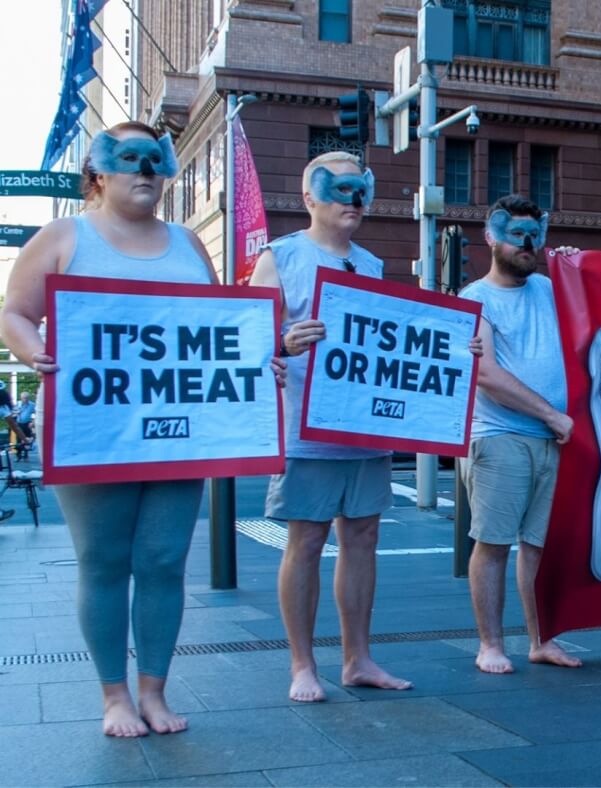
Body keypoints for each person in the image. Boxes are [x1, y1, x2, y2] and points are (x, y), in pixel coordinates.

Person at [1, 121, 284, 737]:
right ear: (98, 173)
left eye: (156, 159)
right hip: (92, 425)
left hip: (180, 429)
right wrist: (35, 354)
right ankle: (114, 697)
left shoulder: (187, 244)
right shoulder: (62, 236)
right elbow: (16, 314)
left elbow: (215, 331)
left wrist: (263, 362)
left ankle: (154, 690)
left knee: (162, 560)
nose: (146, 170)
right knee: (104, 560)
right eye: (129, 158)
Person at [249, 151, 412, 702]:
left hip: (364, 426)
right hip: (307, 426)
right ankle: (301, 665)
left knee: (362, 537)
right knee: (307, 539)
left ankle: (357, 658)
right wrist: (282, 341)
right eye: (339, 188)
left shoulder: (370, 265)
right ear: (309, 197)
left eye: (361, 188)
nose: (354, 200)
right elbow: (245, 341)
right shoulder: (280, 257)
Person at [461, 194, 582, 674]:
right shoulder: (475, 298)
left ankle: (540, 639)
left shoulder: (551, 291)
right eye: (516, 235)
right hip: (500, 435)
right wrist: (551, 416)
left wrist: (577, 269)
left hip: (551, 440)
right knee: (491, 543)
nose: (527, 245)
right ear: (491, 237)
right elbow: (485, 374)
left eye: (535, 235)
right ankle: (490, 644)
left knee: (539, 546)